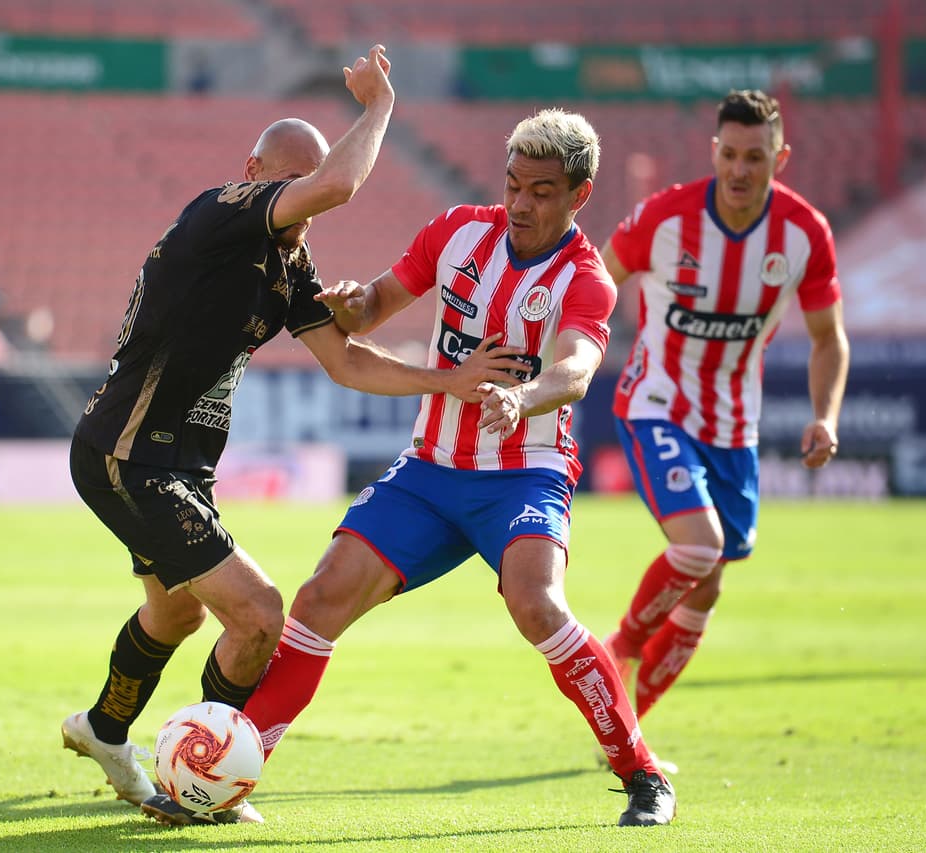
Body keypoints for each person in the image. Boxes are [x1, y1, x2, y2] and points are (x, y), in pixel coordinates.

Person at [142, 107, 677, 828]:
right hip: (428, 470)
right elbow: (374, 307)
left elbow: (577, 368)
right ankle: (234, 776)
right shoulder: (458, 231)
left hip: (523, 473)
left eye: (542, 191)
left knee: (536, 603)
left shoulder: (584, 277)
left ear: (578, 195)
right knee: (322, 594)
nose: (521, 202)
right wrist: (350, 303)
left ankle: (641, 772)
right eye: (514, 183)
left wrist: (523, 395)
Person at [61, 45, 526, 824]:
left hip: (173, 465)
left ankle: (106, 730)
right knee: (259, 615)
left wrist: (444, 379)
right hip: (129, 455)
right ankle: (197, 783)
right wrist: (379, 107)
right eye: (289, 187)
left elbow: (345, 360)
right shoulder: (222, 213)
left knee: (176, 614)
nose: (302, 207)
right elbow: (339, 183)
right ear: (254, 172)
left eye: (303, 198)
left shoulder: (288, 264)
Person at [598, 89, 851, 726]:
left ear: (780, 158)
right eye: (730, 155)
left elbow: (828, 339)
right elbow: (598, 279)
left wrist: (826, 416)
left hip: (734, 423)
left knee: (708, 583)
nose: (740, 170)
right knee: (699, 547)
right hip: (655, 401)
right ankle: (619, 650)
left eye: (755, 157)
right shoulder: (665, 218)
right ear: (715, 151)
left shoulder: (804, 234)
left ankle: (627, 729)